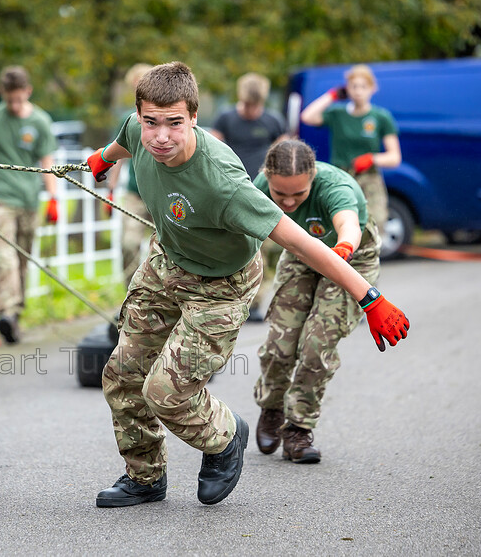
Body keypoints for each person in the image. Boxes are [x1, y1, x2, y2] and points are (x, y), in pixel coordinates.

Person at [85, 62, 409, 508]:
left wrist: (368, 297)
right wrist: (104, 158)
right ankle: (145, 476)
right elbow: (124, 140)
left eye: (174, 123)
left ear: (194, 117)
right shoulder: (137, 131)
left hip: (221, 284)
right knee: (121, 375)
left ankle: (224, 437)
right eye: (150, 122)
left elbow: (302, 243)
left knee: (166, 392)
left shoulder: (226, 184)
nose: (160, 136)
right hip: (167, 263)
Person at [252, 139, 380, 463]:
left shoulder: (335, 187)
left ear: (313, 178)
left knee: (316, 343)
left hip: (350, 257)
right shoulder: (259, 186)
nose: (290, 202)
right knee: (280, 341)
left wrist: (343, 250)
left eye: (300, 194)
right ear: (268, 177)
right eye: (281, 195)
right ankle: (272, 405)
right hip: (300, 254)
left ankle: (297, 428)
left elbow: (348, 224)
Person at [0, 66, 59, 344]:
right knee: (4, 258)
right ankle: (5, 312)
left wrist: (53, 197)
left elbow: (47, 163)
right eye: (9, 99)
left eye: (19, 98)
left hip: (29, 200)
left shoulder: (40, 121)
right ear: (2, 93)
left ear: (28, 91)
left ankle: (14, 315)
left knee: (21, 260)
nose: (15, 105)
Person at [211, 72, 289, 321]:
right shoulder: (225, 119)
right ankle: (229, 300)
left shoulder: (273, 121)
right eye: (247, 105)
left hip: (263, 192)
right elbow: (210, 151)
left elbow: (284, 153)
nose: (251, 111)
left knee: (265, 248)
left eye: (255, 106)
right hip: (231, 191)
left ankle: (255, 303)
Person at [299, 64, 401, 237]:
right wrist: (332, 96)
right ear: (347, 89)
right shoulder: (338, 113)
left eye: (363, 86)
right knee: (341, 221)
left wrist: (372, 159)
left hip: (368, 178)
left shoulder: (380, 117)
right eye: (354, 86)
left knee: (375, 223)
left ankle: (369, 260)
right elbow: (307, 117)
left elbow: (394, 157)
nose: (358, 91)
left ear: (372, 88)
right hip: (341, 176)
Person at [105, 63, 154, 288]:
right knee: (128, 243)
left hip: (163, 192)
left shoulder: (164, 117)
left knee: (164, 248)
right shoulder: (128, 119)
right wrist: (112, 189)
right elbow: (119, 154)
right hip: (135, 191)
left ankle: (162, 298)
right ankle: (133, 293)